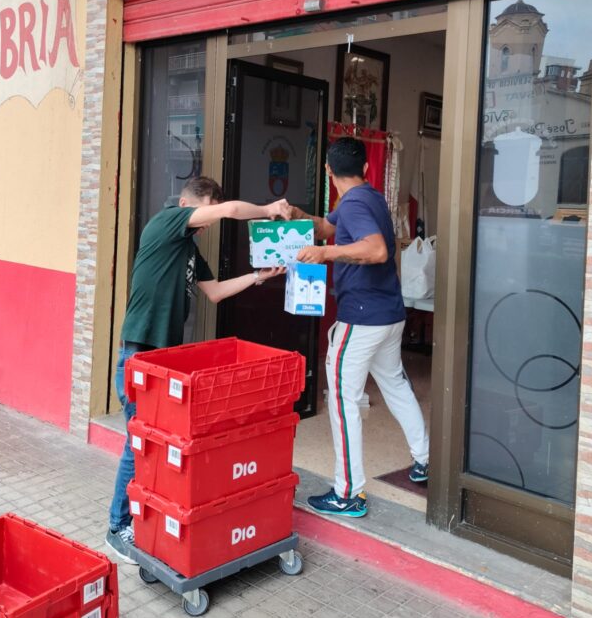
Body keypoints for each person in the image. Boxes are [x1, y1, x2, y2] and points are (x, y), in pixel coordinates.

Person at [106, 176, 289, 560]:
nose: (206, 226)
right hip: (140, 353)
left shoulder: (188, 249)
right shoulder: (168, 220)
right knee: (138, 444)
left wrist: (259, 277)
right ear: (189, 203)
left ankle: (145, 519)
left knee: (153, 445)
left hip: (163, 361)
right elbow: (231, 210)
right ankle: (117, 526)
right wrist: (269, 209)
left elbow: (216, 292)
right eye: (204, 215)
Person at [292, 136, 429, 518]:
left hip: (363, 317)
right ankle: (425, 459)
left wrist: (326, 253)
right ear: (367, 168)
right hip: (389, 314)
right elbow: (326, 227)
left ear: (327, 171)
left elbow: (376, 249)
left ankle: (348, 492)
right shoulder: (365, 198)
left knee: (340, 397)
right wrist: (297, 215)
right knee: (396, 385)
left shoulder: (353, 204)